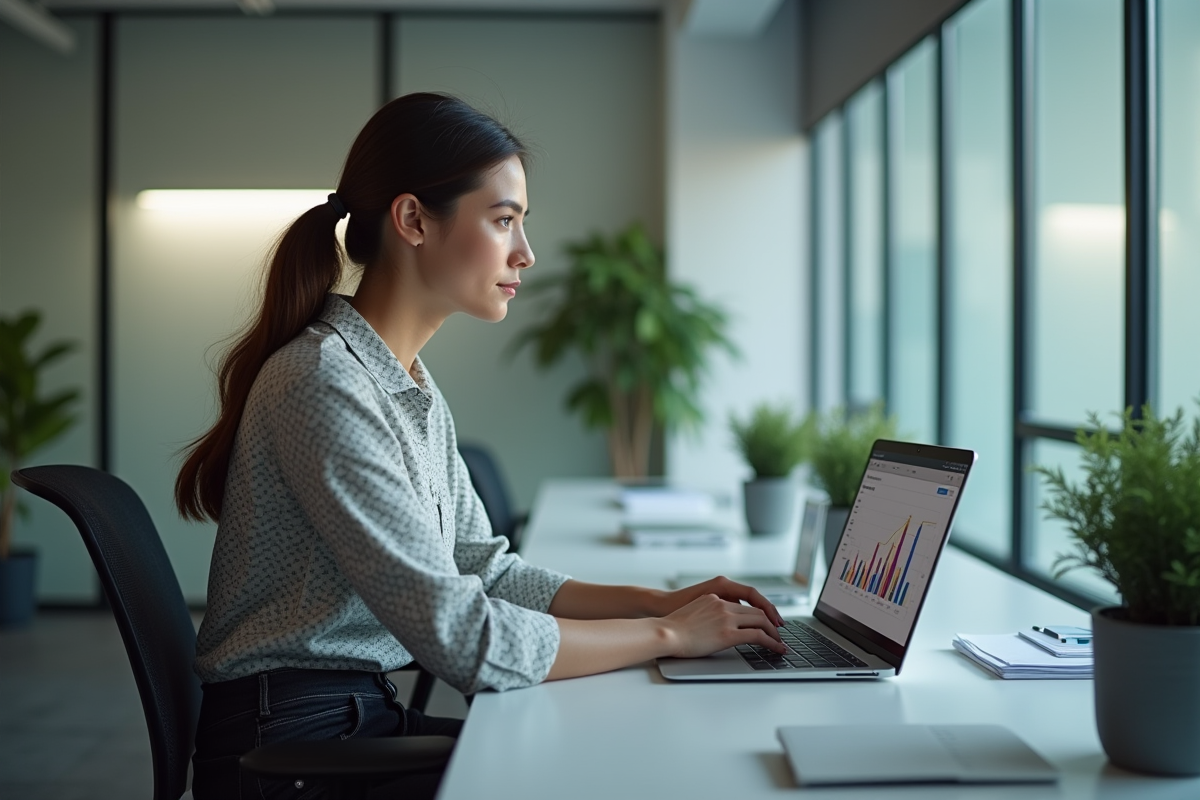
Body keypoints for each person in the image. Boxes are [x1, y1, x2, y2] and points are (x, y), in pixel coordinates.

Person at [176, 92, 787, 800]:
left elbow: (483, 570)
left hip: (347, 719)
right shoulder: (323, 382)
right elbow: (463, 638)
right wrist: (671, 637)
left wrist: (657, 604)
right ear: (413, 220)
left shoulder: (404, 382)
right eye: (503, 220)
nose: (525, 253)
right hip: (291, 749)